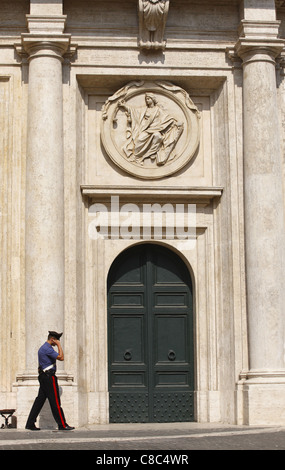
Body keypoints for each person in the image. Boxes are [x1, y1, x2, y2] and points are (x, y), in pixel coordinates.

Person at [25, 331, 74, 431]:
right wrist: (60, 346)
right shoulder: (47, 349)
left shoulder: (44, 348)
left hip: (44, 377)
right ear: (52, 339)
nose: (57, 343)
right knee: (55, 401)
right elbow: (61, 357)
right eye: (57, 340)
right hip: (49, 377)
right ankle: (62, 425)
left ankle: (30, 423)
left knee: (39, 401)